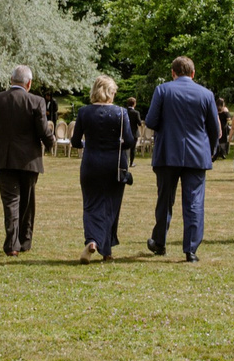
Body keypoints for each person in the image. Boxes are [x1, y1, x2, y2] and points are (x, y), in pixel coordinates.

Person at [142, 56, 222, 260]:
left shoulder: (162, 90)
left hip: (168, 153)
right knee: (194, 201)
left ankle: (159, 242)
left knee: (164, 200)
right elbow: (214, 128)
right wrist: (211, 151)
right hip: (197, 155)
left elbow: (150, 121)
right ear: (193, 73)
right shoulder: (206, 94)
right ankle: (191, 249)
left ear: (173, 72)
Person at [0, 66, 53, 257]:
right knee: (27, 202)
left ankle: (12, 244)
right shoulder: (36, 101)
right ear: (28, 83)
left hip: (3, 158)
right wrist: (51, 143)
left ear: (11, 80)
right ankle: (25, 240)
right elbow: (43, 131)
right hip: (29, 160)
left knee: (10, 202)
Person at [71, 75, 136, 260]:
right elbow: (129, 141)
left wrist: (87, 145)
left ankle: (92, 240)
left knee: (91, 204)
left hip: (91, 163)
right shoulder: (121, 113)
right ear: (110, 93)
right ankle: (106, 251)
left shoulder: (84, 112)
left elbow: (76, 141)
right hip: (114, 165)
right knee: (111, 206)